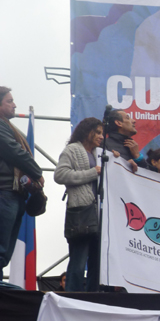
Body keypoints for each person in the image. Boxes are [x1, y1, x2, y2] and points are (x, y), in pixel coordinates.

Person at [54, 117, 108, 292]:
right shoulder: (72, 149)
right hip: (81, 211)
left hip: (98, 214)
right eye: (98, 132)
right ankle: (73, 296)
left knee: (97, 262)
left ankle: (92, 297)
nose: (101, 136)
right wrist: (92, 173)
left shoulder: (98, 153)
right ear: (87, 132)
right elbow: (60, 175)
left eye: (102, 133)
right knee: (78, 261)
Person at [0, 87, 44, 281]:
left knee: (4, 253)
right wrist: (37, 173)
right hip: (4, 192)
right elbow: (14, 151)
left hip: (14, 193)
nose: (15, 105)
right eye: (9, 101)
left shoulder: (7, 127)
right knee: (1, 249)